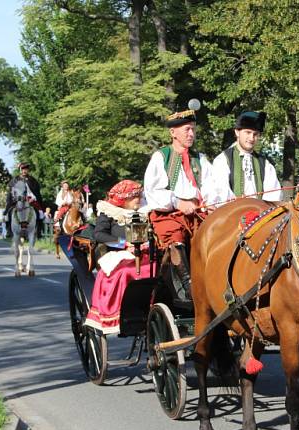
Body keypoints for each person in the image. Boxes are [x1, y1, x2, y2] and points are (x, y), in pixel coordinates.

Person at [143, 107, 216, 297]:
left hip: (197, 211)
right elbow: (152, 191)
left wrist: (209, 202)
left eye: (193, 129)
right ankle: (188, 287)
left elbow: (212, 187)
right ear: (173, 133)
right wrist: (177, 202)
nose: (191, 133)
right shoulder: (162, 157)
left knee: (215, 235)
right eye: (187, 129)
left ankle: (212, 280)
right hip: (168, 213)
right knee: (175, 238)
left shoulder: (201, 159)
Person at [84, 180, 151, 335]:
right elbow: (99, 234)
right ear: (124, 199)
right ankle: (121, 314)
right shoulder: (109, 210)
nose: (139, 199)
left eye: (139, 195)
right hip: (120, 252)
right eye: (134, 196)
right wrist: (123, 243)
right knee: (126, 272)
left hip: (145, 251)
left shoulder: (146, 209)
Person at [208, 111, 283, 204]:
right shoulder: (223, 160)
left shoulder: (265, 164)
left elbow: (273, 195)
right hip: (232, 214)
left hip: (260, 215)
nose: (251, 138)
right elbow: (220, 192)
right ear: (237, 132)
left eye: (255, 134)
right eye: (248, 132)